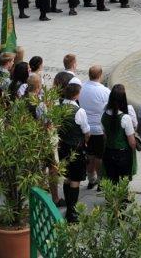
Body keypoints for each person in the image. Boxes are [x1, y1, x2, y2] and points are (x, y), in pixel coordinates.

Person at [58, 82, 90, 222]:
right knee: (75, 179)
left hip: (62, 148)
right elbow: (86, 131)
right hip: (76, 149)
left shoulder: (58, 107)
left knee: (67, 177)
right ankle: (72, 211)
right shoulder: (79, 111)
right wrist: (86, 141)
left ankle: (68, 206)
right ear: (76, 95)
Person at [79, 65, 112, 190]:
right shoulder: (105, 91)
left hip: (85, 129)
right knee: (99, 156)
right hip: (99, 129)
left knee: (89, 155)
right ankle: (100, 181)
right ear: (100, 75)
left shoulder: (82, 87)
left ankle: (91, 179)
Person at [100, 84, 138, 184]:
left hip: (108, 151)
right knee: (123, 181)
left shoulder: (104, 114)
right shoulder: (125, 118)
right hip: (123, 154)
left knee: (112, 180)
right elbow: (132, 142)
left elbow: (104, 135)